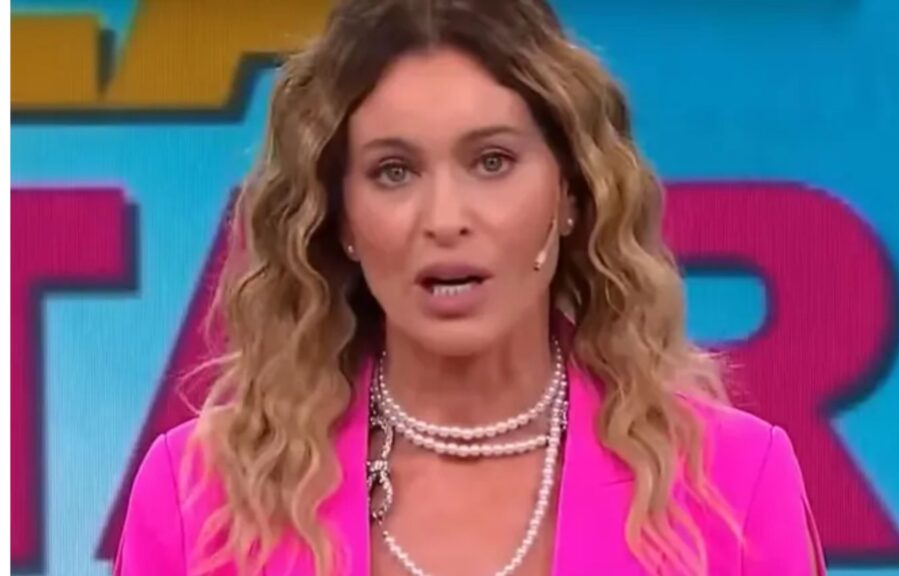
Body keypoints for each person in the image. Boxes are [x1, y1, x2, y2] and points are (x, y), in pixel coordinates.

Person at [115, 0, 826, 574]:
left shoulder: (730, 485)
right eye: (394, 171)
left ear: (570, 193)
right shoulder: (200, 498)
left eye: (491, 161)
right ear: (342, 218)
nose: (445, 219)